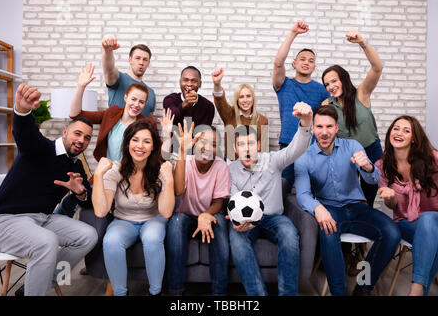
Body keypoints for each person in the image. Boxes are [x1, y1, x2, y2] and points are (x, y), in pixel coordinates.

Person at [0, 84, 98, 296]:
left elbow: (87, 200)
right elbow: (25, 133)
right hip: (3, 221)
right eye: (78, 133)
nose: (81, 140)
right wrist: (22, 111)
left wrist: (80, 192)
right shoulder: (40, 148)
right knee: (46, 242)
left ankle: (34, 287)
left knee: (88, 235)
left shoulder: (75, 165)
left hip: (42, 219)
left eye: (87, 138)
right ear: (65, 132)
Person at [295, 105, 400, 296]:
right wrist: (317, 208)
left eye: (329, 126)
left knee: (392, 232)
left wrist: (368, 167)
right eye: (319, 127)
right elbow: (302, 194)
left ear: (336, 128)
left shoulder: (353, 146)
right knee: (327, 232)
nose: (324, 132)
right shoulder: (304, 158)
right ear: (313, 129)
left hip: (358, 209)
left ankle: (362, 287)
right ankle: (338, 293)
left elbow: (373, 180)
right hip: (330, 209)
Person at [228, 102, 313, 296]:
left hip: (274, 218)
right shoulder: (230, 169)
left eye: (250, 143)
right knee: (237, 239)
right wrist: (235, 221)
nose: (246, 148)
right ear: (235, 148)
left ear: (258, 145)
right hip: (246, 222)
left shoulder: (273, 160)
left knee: (290, 234)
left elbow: (295, 149)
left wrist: (306, 122)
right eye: (241, 144)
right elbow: (232, 200)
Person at [54, 63, 158, 218]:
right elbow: (76, 114)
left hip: (130, 178)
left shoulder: (147, 124)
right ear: (125, 98)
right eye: (133, 99)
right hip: (106, 174)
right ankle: (58, 219)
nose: (136, 105)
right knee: (79, 195)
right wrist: (81, 87)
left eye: (141, 102)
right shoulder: (112, 113)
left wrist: (169, 133)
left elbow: (157, 155)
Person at [92, 120, 175, 296]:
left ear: (153, 147)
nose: (140, 146)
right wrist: (98, 174)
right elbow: (101, 211)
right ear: (128, 143)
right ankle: (121, 293)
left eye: (146, 141)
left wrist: (169, 180)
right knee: (111, 241)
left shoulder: (160, 171)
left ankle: (155, 292)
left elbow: (166, 212)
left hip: (153, 219)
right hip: (124, 220)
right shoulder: (115, 170)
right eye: (135, 140)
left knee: (153, 239)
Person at [376, 115, 438, 296]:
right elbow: (392, 205)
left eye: (406, 130)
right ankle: (421, 290)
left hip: (437, 217)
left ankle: (415, 290)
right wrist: (389, 196)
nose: (399, 133)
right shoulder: (382, 166)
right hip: (406, 221)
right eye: (395, 128)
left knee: (428, 217)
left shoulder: (432, 159)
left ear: (414, 138)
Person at [165, 120, 231, 296]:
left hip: (210, 215)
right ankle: (175, 291)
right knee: (176, 222)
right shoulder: (185, 161)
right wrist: (181, 152)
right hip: (185, 215)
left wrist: (205, 215)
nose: (207, 147)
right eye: (203, 141)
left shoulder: (221, 166)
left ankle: (219, 293)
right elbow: (178, 190)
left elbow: (219, 203)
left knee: (220, 225)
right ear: (194, 144)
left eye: (214, 144)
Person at [321, 29, 384, 208]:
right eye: (327, 84)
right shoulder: (328, 103)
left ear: (343, 78)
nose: (331, 86)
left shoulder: (361, 93)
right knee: (347, 196)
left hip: (370, 150)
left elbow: (377, 67)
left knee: (369, 192)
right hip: (345, 155)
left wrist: (362, 42)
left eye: (334, 81)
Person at [273, 20, 330, 192]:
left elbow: (327, 120)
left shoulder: (322, 91)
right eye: (302, 59)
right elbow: (277, 62)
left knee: (312, 191)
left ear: (314, 66)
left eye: (311, 61)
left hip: (312, 148)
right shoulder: (283, 83)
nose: (306, 62)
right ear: (294, 63)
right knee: (281, 189)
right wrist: (293, 33)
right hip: (287, 146)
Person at [211, 67, 269, 160]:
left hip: (252, 163)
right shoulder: (229, 115)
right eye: (241, 97)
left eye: (248, 96)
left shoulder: (263, 120)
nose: (245, 100)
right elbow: (220, 101)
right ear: (237, 100)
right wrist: (217, 84)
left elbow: (263, 150)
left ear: (253, 99)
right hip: (232, 162)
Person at [101, 36, 156, 117]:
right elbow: (109, 69)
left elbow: (150, 122)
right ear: (130, 60)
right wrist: (108, 51)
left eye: (145, 59)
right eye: (137, 58)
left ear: (148, 63)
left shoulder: (151, 93)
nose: (141, 62)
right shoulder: (118, 78)